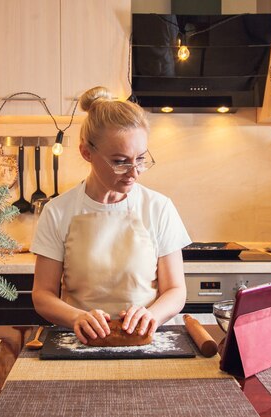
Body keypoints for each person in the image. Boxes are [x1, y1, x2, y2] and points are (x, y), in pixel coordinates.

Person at [31, 86, 191, 344]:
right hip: (80, 342)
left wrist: (152, 315)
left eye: (140, 159)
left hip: (149, 343)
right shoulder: (57, 212)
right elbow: (42, 294)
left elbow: (175, 290)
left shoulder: (159, 208)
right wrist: (75, 317)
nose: (134, 172)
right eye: (120, 161)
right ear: (87, 153)